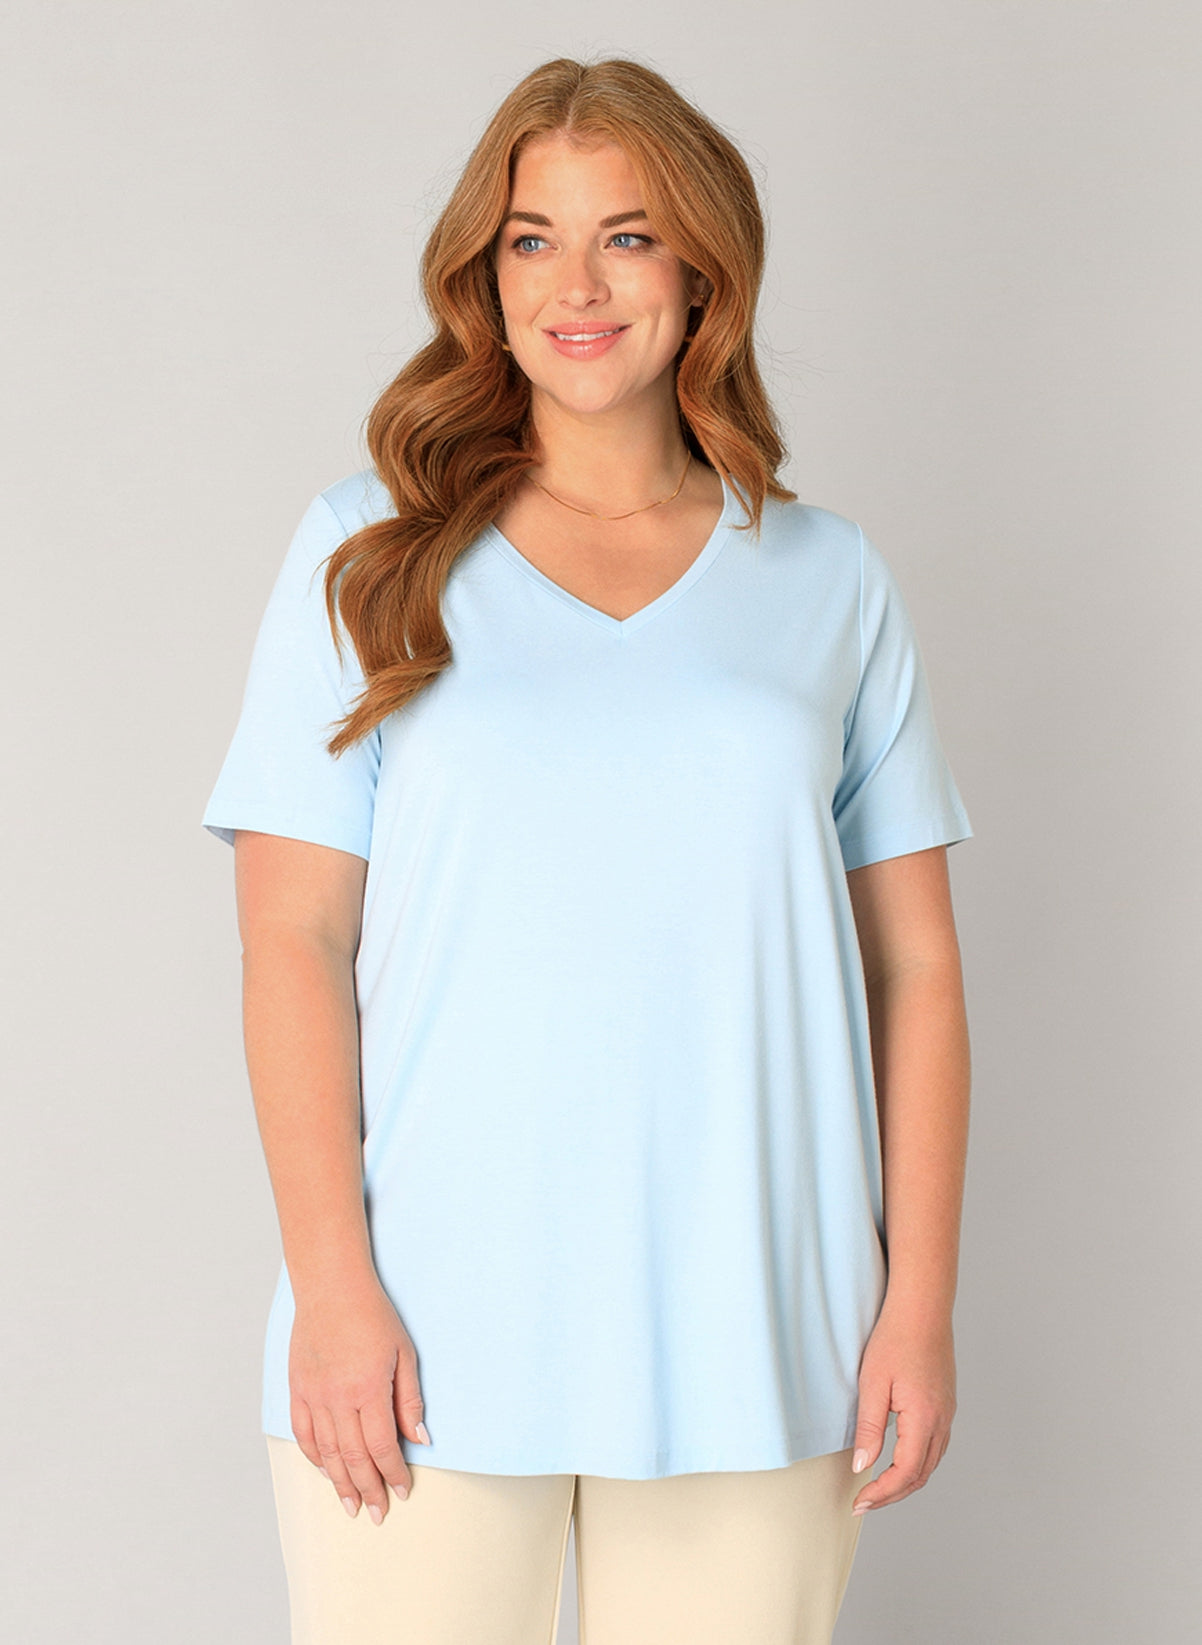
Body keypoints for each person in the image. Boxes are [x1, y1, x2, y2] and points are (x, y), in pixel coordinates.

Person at [202, 54, 974, 1645]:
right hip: (419, 1333)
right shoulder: (365, 554)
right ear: (483, 278)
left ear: (700, 273)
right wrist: (332, 1289)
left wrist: (917, 1302)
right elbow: (291, 937)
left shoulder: (826, 578)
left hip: (762, 1332)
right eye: (531, 239)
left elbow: (914, 965)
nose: (578, 284)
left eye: (627, 237)